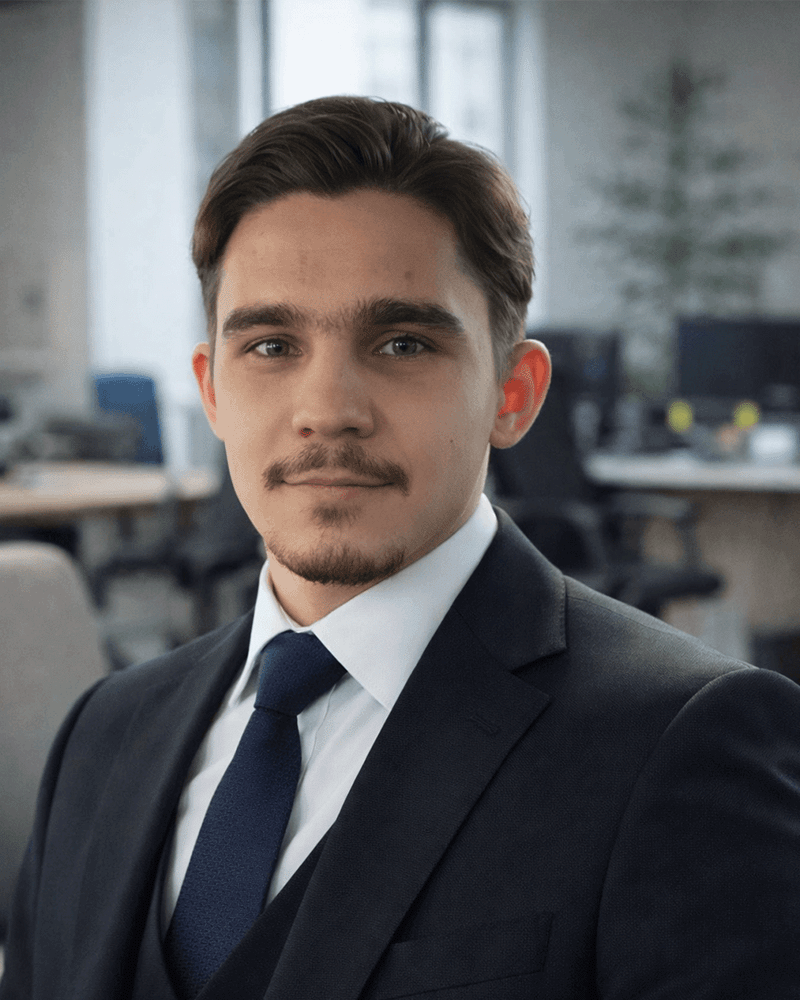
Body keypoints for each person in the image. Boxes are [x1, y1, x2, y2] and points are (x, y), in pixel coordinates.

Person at [2, 96, 800, 1000]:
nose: (327, 407)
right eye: (269, 344)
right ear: (213, 391)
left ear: (513, 392)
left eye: (401, 341)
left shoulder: (682, 742)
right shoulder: (104, 733)